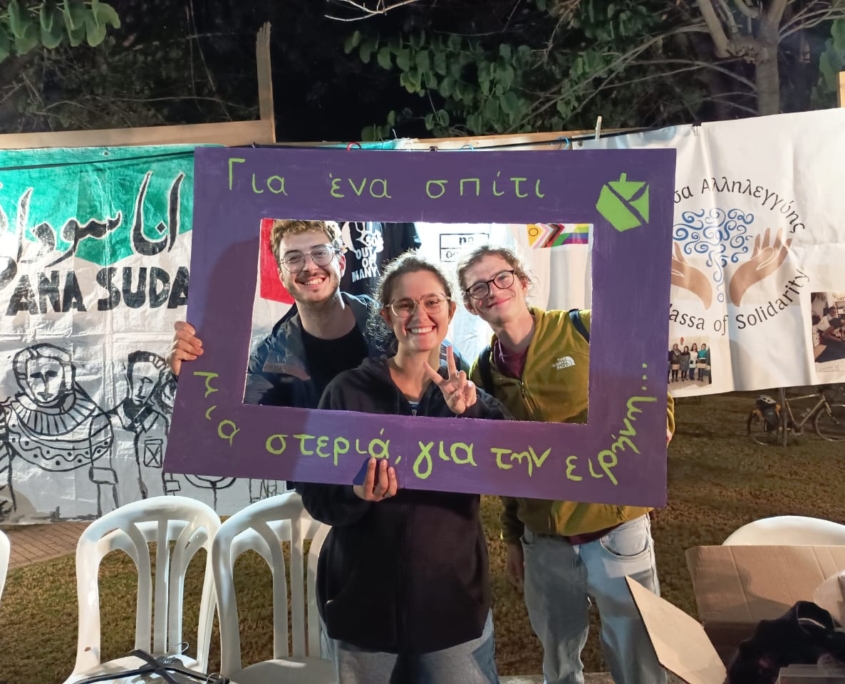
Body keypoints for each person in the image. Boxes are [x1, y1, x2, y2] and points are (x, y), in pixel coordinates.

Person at [456, 245, 675, 684]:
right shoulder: (483, 372)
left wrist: (655, 429)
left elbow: (652, 393)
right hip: (545, 542)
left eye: (501, 277)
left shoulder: (584, 328)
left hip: (615, 528)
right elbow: (507, 463)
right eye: (478, 288)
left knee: (638, 659)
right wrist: (514, 537)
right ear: (471, 305)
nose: (493, 290)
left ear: (522, 281)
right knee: (558, 661)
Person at [296, 253, 508, 684]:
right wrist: (355, 494)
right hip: (362, 611)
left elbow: (511, 467)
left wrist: (468, 416)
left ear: (451, 310)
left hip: (452, 611)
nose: (420, 316)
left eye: (432, 302)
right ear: (386, 315)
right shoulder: (347, 392)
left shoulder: (469, 396)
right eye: (405, 305)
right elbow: (315, 495)